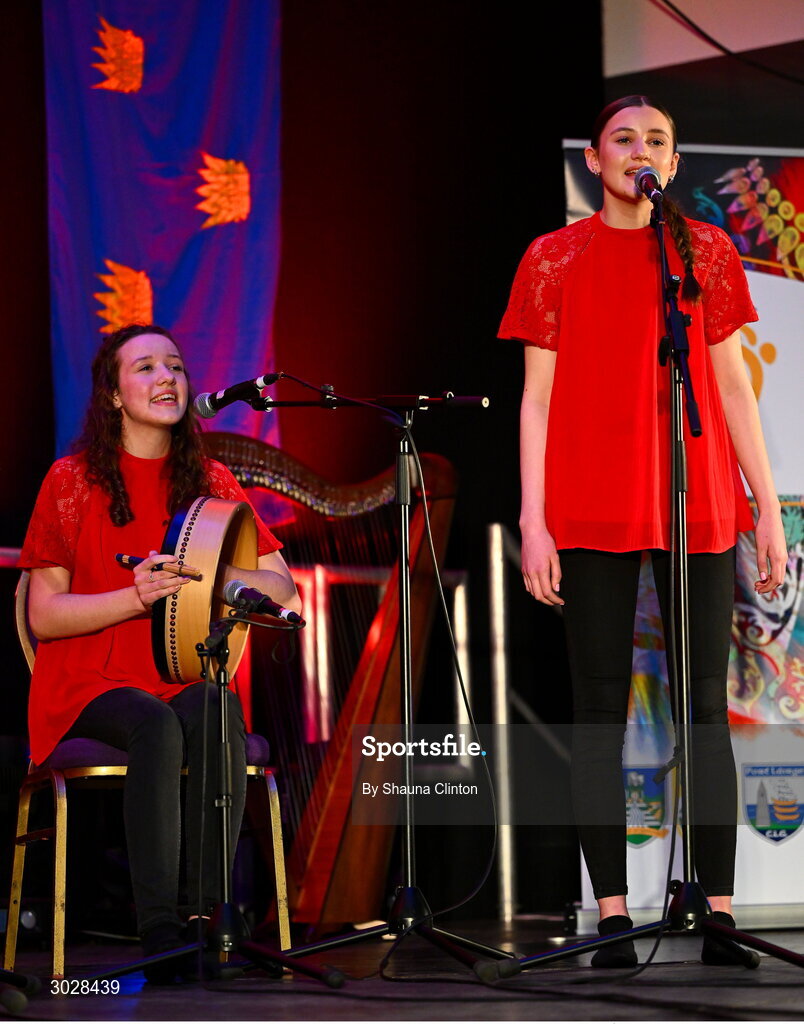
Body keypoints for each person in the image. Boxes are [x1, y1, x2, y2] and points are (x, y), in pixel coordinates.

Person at [498, 96, 787, 967]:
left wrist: (766, 508)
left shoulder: (704, 251)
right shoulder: (554, 256)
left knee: (704, 706)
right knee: (599, 709)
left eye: (656, 139)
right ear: (594, 159)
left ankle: (719, 913)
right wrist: (534, 519)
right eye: (623, 138)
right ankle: (617, 916)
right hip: (590, 499)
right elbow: (536, 399)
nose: (641, 149)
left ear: (672, 160)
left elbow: (732, 386)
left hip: (696, 500)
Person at [19, 323, 302, 982]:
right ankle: (160, 931)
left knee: (216, 707)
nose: (166, 377)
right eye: (144, 367)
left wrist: (218, 576)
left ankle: (208, 920)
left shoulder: (211, 481)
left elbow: (281, 585)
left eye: (174, 365)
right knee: (156, 723)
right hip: (87, 680)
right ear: (113, 395)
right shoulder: (70, 479)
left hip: (175, 673)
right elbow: (43, 615)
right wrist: (136, 596)